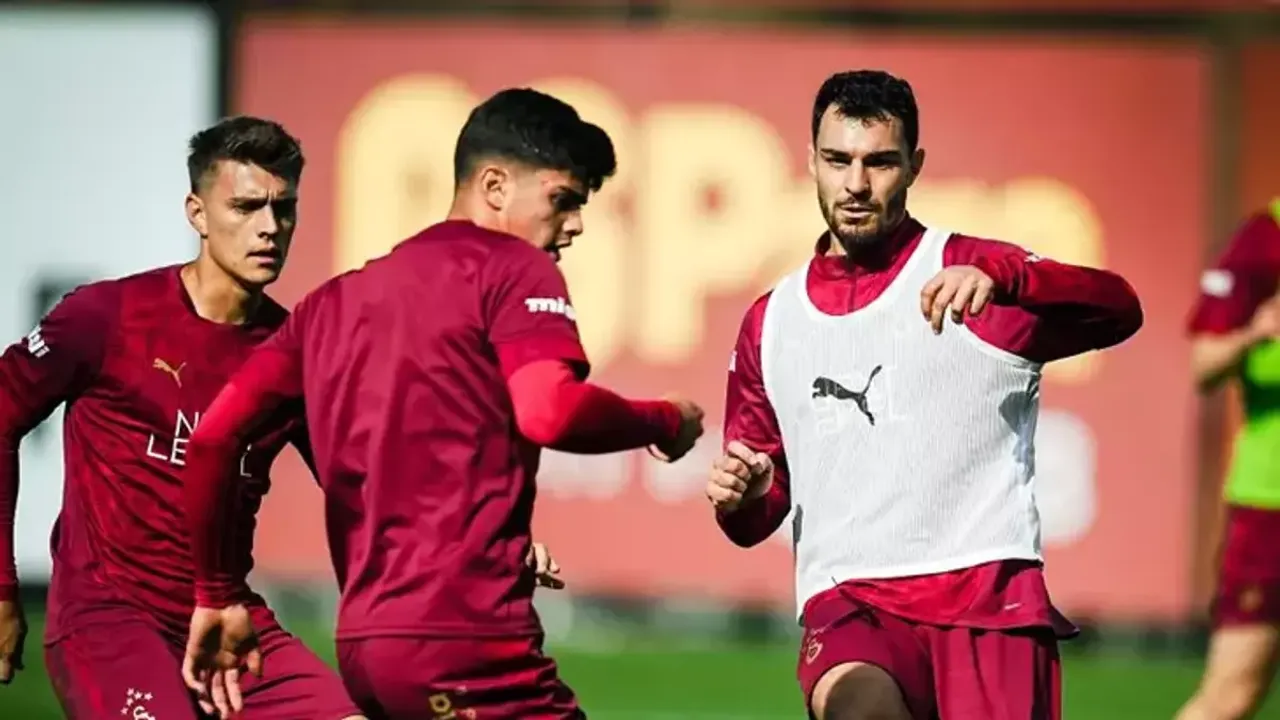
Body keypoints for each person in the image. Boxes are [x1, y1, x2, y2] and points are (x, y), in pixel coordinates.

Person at [177, 87, 706, 720]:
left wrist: (216, 591)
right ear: (495, 186)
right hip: (466, 642)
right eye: (562, 200)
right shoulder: (513, 267)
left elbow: (213, 437)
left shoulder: (329, 304)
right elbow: (549, 411)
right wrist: (664, 421)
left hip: (366, 649)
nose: (576, 225)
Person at [705, 70, 1144, 720]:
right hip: (849, 602)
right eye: (838, 160)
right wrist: (742, 498)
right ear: (811, 162)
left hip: (988, 600)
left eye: (880, 162)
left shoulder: (973, 274)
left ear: (914, 166)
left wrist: (1009, 277)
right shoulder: (771, 323)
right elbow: (754, 517)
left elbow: (1119, 308)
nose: (856, 184)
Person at [0, 116, 365, 719]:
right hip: (109, 626)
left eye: (283, 208)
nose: (269, 227)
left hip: (228, 624)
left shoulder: (295, 353)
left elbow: (363, 490)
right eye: (245, 207)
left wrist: (484, 541)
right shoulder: (106, 317)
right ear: (197, 213)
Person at [1176, 203, 1280, 720]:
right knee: (1231, 696)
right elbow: (1204, 365)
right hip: (1270, 506)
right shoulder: (1266, 238)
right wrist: (1257, 332)